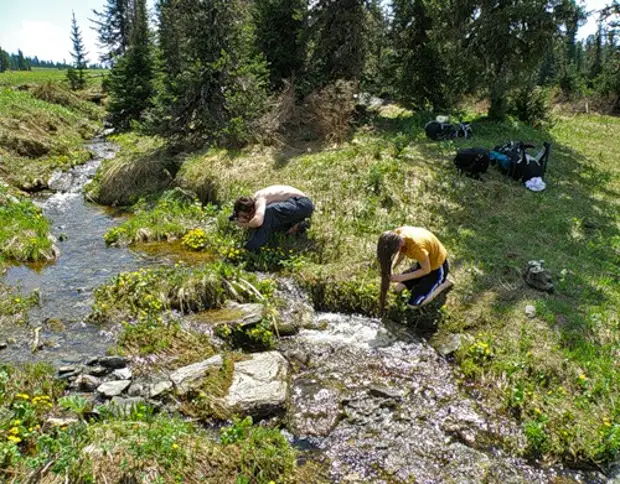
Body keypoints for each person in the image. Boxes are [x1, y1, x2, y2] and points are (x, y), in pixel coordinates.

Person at [377, 226, 452, 314]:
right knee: (397, 289)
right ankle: (421, 279)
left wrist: (401, 278)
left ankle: (444, 283)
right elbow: (401, 254)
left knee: (412, 305)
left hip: (437, 267)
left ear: (399, 245)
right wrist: (391, 269)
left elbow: (426, 270)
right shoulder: (397, 235)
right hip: (423, 262)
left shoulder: (417, 248)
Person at [230, 185, 314, 252]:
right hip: (296, 209)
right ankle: (297, 226)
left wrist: (244, 224)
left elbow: (258, 221)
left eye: (246, 216)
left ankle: (250, 248)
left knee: (269, 212)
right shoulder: (256, 202)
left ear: (251, 210)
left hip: (302, 204)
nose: (247, 219)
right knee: (269, 222)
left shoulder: (259, 199)